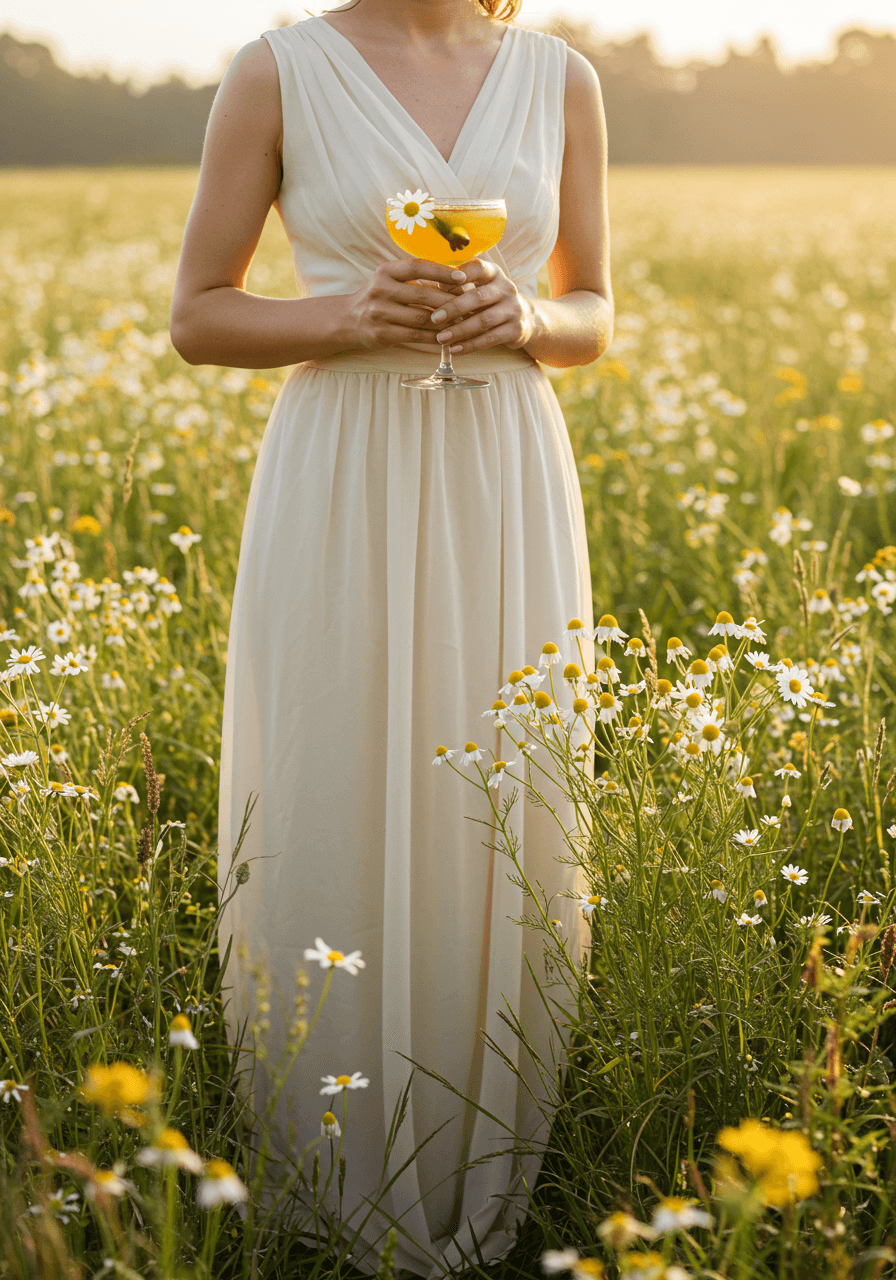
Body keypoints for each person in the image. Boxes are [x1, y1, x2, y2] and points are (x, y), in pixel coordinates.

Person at [170, 0, 612, 1274]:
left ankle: (484, 1140)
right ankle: (329, 1167)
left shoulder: (558, 77)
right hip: (344, 463)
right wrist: (349, 317)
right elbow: (198, 314)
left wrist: (527, 322)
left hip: (503, 466)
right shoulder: (277, 68)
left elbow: (593, 306)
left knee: (503, 797)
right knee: (340, 777)